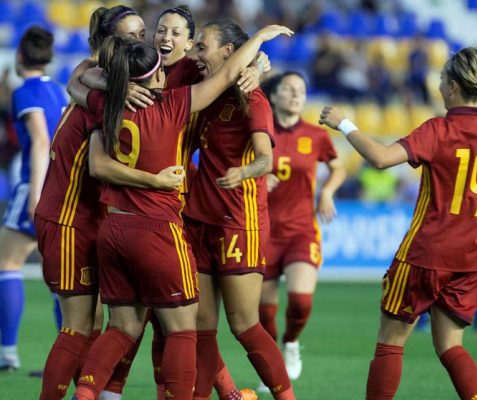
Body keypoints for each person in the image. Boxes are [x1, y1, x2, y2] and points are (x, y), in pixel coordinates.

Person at [72, 25, 293, 400]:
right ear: (157, 76)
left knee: (123, 326)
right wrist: (259, 41)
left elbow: (77, 85)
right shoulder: (173, 105)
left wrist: (111, 83)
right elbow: (226, 72)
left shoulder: (106, 104)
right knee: (183, 329)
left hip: (115, 226)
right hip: (158, 228)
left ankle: (86, 393)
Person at [320, 47, 477, 400]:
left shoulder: (439, 129)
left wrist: (343, 123)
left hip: (425, 254)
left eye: (442, 79)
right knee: (451, 347)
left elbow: (380, 158)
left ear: (453, 86)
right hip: (470, 260)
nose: (438, 85)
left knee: (390, 342)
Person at [35, 10, 183, 400]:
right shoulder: (102, 98)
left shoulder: (109, 87)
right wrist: (156, 181)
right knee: (78, 328)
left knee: (113, 323)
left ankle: (101, 394)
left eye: (141, 34)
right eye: (127, 37)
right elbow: (100, 165)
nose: (140, 43)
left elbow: (79, 77)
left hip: (91, 220)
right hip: (69, 220)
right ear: (106, 47)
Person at [182, 19, 295, 400]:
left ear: (228, 52)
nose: (196, 54)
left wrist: (243, 172)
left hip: (239, 223)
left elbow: (266, 159)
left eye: (203, 47)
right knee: (201, 328)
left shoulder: (253, 100)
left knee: (244, 325)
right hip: (198, 220)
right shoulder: (206, 91)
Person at [256, 71, 345, 388]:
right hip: (262, 231)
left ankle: (291, 342)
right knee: (264, 311)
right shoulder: (260, 133)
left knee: (301, 300)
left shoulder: (316, 135)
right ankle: (273, 366)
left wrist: (327, 192)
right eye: (289, 89)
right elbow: (235, 165)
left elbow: (338, 167)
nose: (296, 95)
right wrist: (257, 176)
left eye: (301, 91)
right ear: (274, 95)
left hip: (301, 230)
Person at [0, 25, 67, 372]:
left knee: (6, 263)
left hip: (37, 185)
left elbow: (41, 140)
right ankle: (66, 360)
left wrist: (35, 195)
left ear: (20, 55)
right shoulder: (59, 90)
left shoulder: (25, 92)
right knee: (59, 276)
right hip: (65, 188)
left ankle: (7, 353)